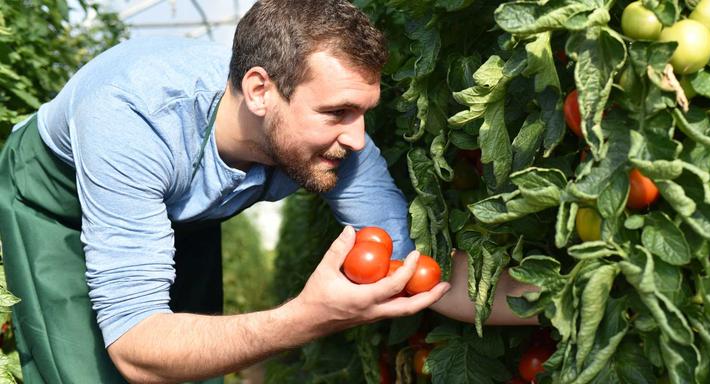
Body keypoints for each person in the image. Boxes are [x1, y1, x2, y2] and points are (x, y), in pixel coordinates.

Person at [0, 0, 536, 383]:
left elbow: (416, 270)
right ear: (260, 90)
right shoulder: (132, 118)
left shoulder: (338, 146)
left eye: (362, 112)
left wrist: (568, 300)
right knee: (90, 368)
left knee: (194, 362)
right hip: (58, 202)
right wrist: (304, 318)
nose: (358, 138)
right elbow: (137, 348)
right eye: (336, 113)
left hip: (175, 208)